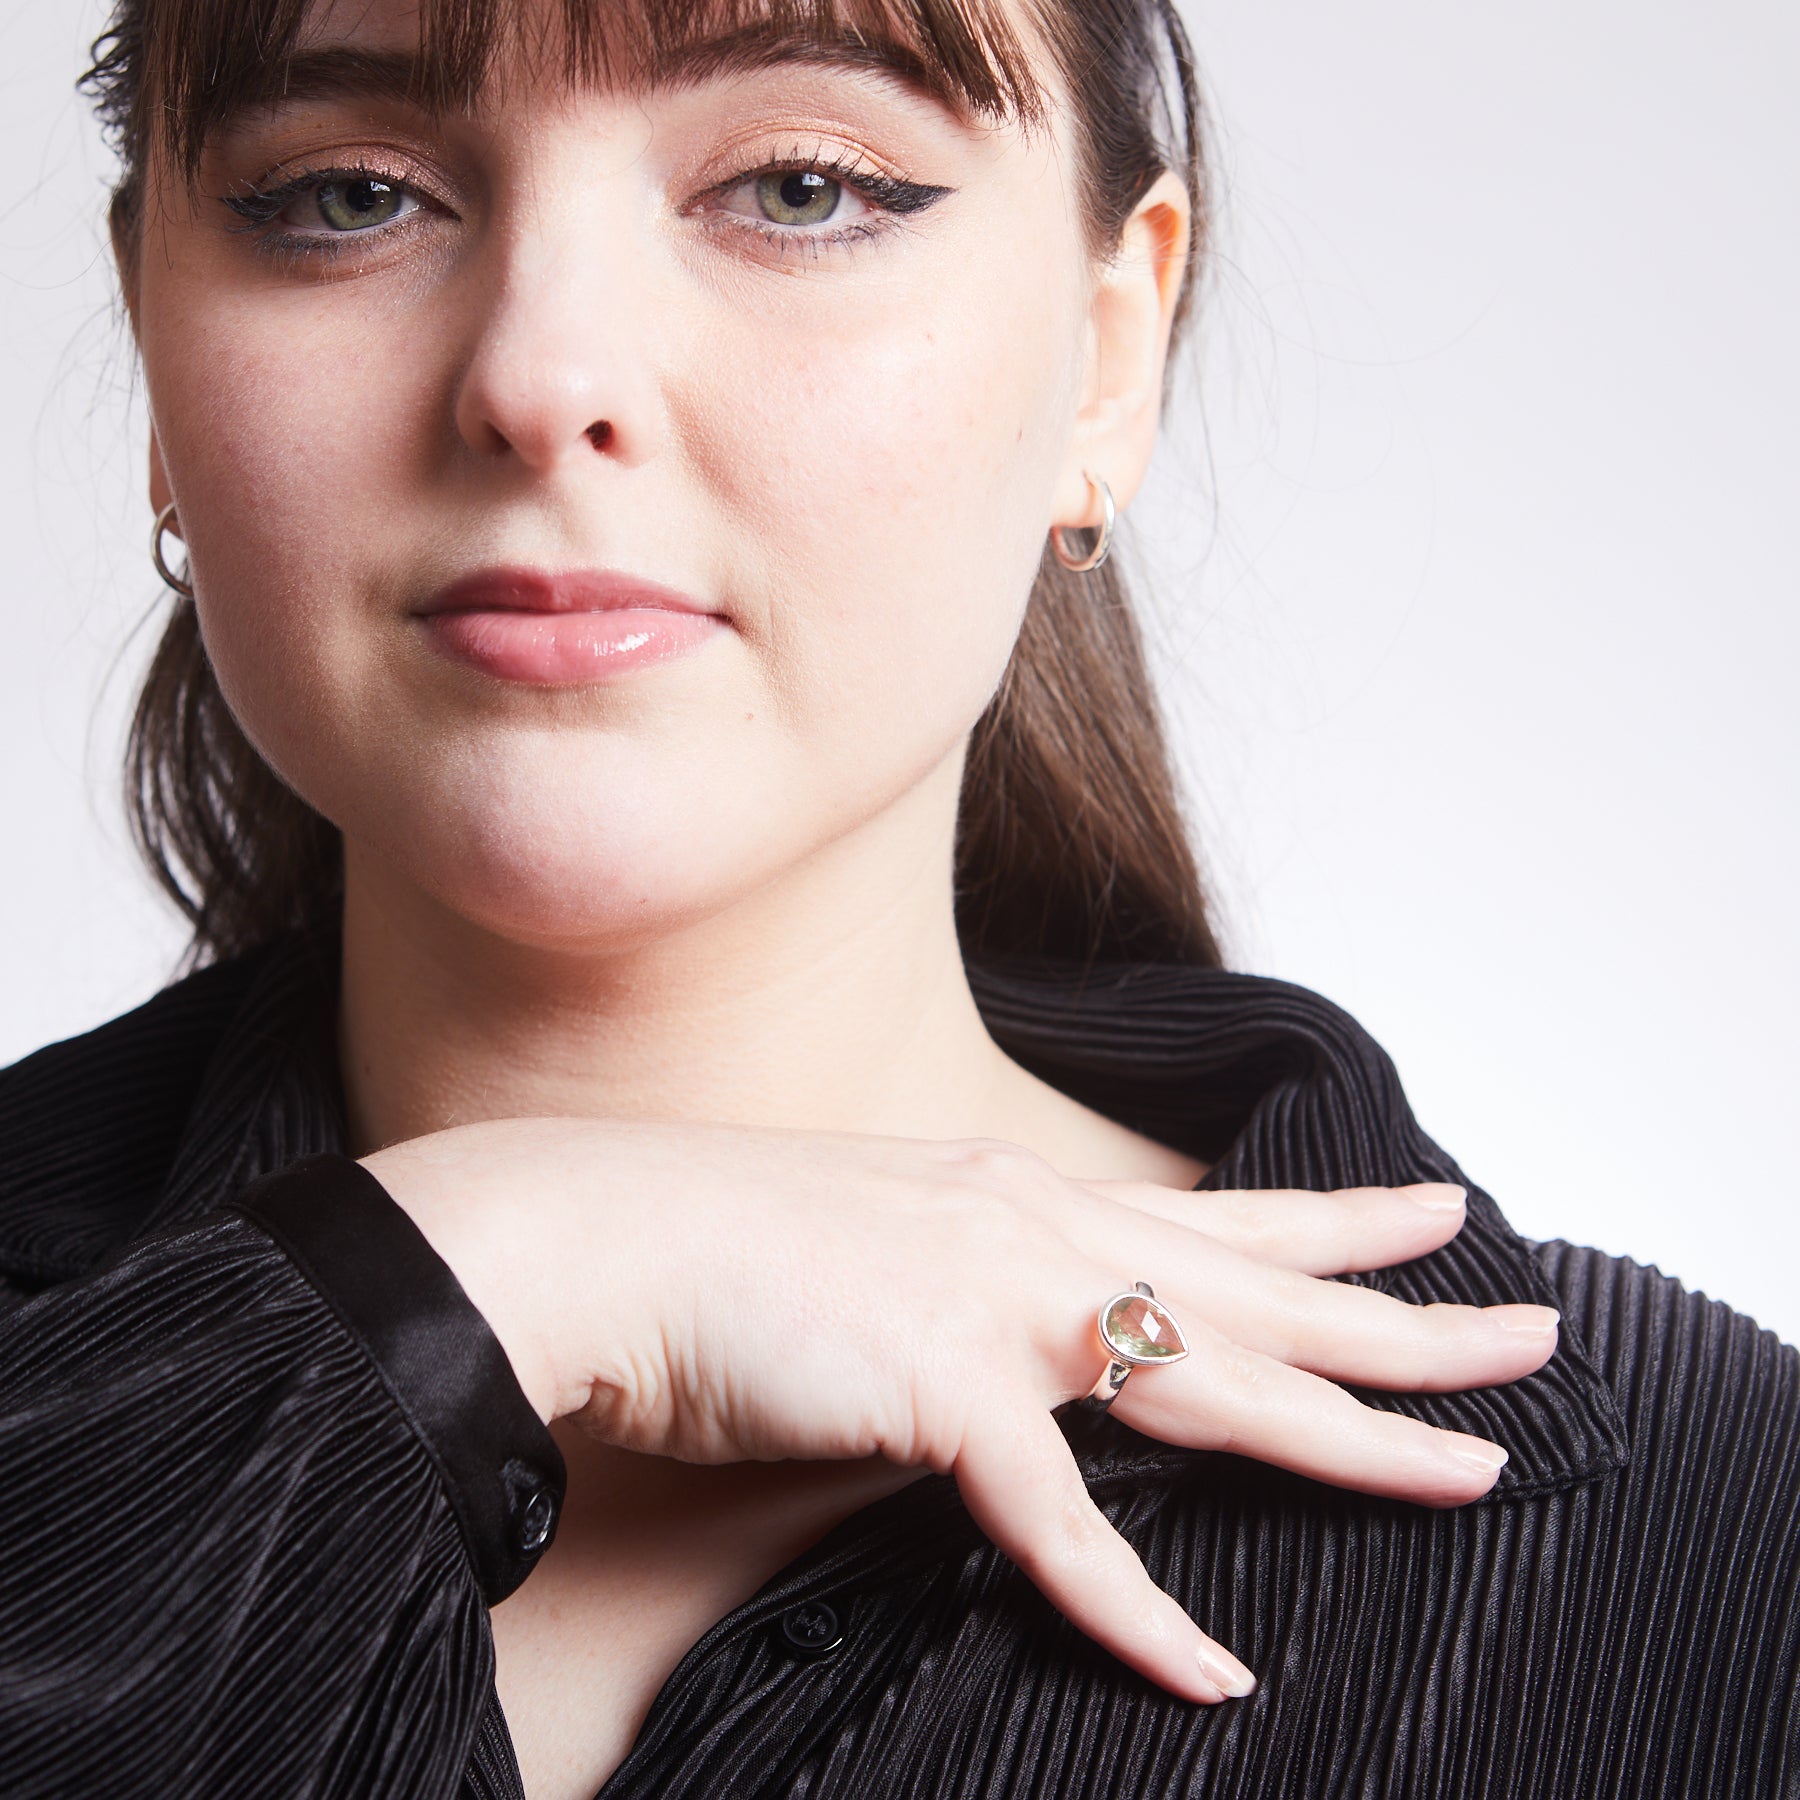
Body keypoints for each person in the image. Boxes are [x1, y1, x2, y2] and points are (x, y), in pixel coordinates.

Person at [1, 1, 1794, 1796]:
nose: (542, 379)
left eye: (800, 186)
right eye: (345, 197)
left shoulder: (1709, 1537)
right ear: (153, 339)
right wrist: (474, 1285)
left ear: (1110, 356)